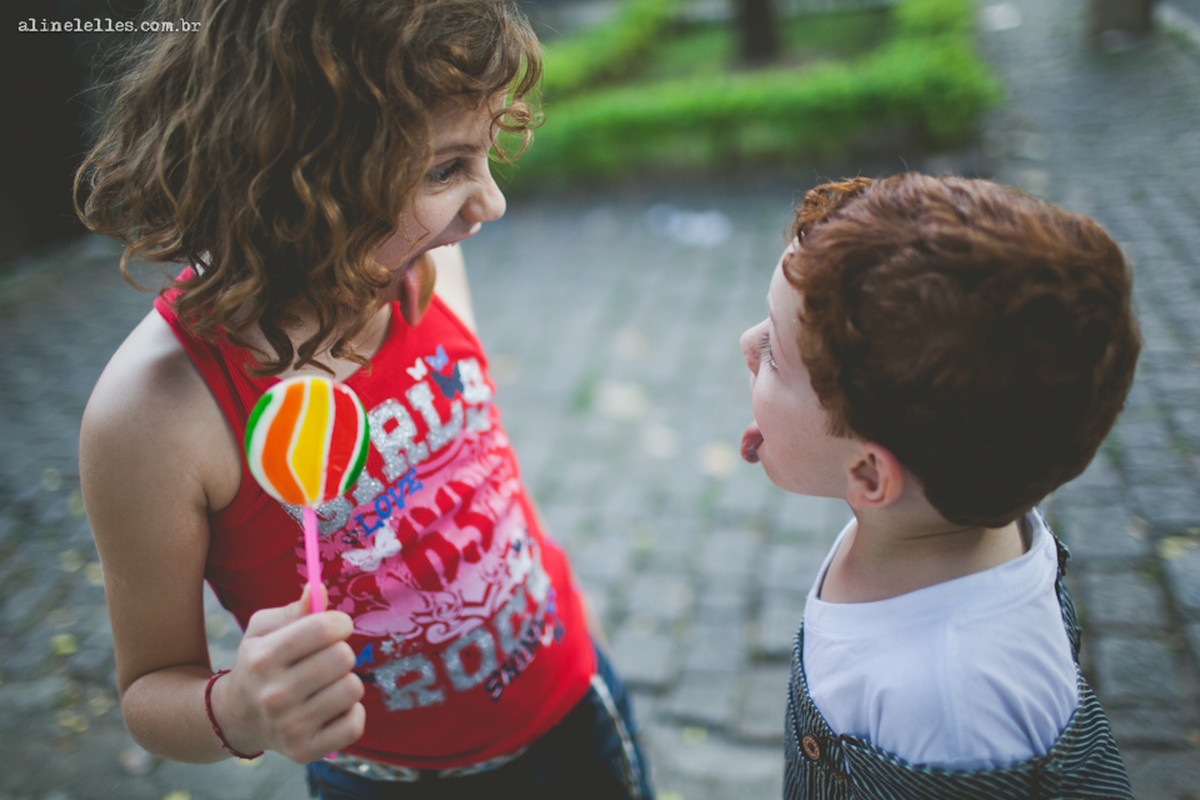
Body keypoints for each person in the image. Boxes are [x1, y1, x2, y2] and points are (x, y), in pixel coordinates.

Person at [75, 1, 652, 798]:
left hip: (573, 707)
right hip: (384, 781)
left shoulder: (421, 272)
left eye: (485, 157)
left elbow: (482, 463)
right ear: (299, 172)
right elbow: (150, 691)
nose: (491, 204)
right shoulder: (154, 411)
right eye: (446, 170)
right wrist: (242, 709)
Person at [739, 174, 1137, 798]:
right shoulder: (942, 506)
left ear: (871, 475)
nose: (747, 344)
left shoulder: (952, 709)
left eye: (774, 356)